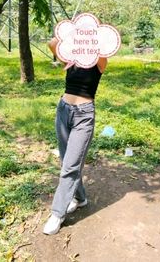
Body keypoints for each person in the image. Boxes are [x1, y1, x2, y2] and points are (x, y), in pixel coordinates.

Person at [43, 37, 107, 235]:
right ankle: (80, 198)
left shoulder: (99, 61)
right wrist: (71, 32)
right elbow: (52, 44)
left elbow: (103, 48)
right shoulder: (71, 57)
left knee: (71, 165)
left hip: (84, 115)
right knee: (67, 162)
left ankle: (57, 213)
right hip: (63, 111)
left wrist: (93, 33)